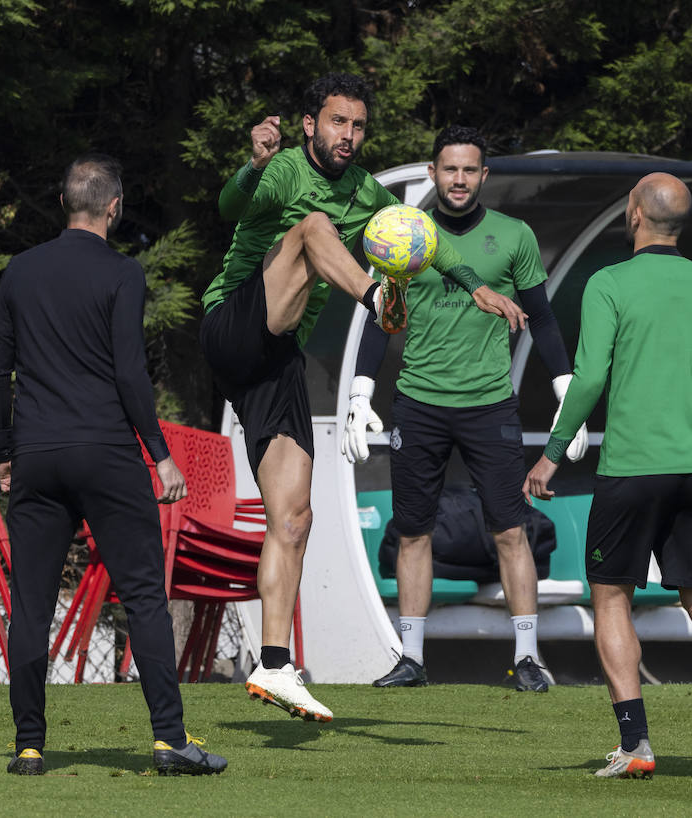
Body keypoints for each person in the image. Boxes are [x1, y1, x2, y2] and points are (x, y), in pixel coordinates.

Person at [204, 73, 525, 722]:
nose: (347, 135)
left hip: (273, 359)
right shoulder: (286, 169)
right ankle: (375, 295)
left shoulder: (367, 191)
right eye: (335, 122)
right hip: (230, 324)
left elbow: (422, 235)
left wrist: (473, 286)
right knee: (313, 228)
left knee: (294, 518)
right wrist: (251, 165)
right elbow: (231, 210)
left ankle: (274, 666)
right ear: (308, 124)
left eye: (356, 125)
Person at [0, 154, 226, 776]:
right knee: (144, 596)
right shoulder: (123, 274)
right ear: (114, 207)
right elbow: (127, 373)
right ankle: (170, 739)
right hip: (108, 455)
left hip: (37, 454)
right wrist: (161, 454)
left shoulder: (19, 271)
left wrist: (4, 453)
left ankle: (30, 745)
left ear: (65, 202)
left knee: (31, 603)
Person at [524, 173, 692, 780]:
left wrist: (553, 452)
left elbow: (589, 380)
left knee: (611, 597)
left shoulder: (608, 284)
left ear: (634, 214)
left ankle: (635, 744)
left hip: (631, 469)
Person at [343, 125, 588, 691]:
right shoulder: (403, 236)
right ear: (432, 174)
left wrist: (563, 388)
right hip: (419, 404)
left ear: (484, 175)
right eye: (448, 169)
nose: (458, 179)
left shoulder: (514, 235)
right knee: (412, 531)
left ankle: (528, 658)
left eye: (468, 169)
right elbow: (384, 317)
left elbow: (543, 319)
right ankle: (411, 658)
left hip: (489, 405)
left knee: (510, 529)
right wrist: (360, 392)